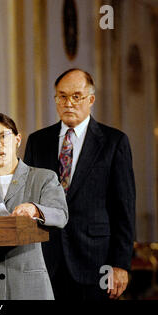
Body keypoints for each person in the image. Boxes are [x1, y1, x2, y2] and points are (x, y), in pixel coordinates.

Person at [24, 68, 136, 300]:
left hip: (96, 262)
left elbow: (124, 208)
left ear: (91, 100)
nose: (69, 103)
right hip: (47, 261)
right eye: (62, 96)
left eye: (77, 96)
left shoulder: (114, 142)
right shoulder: (38, 142)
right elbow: (26, 198)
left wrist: (121, 264)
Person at [0, 112, 68, 300]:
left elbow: (60, 214)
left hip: (28, 282)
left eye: (3, 137)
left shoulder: (43, 177)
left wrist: (35, 209)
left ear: (18, 139)